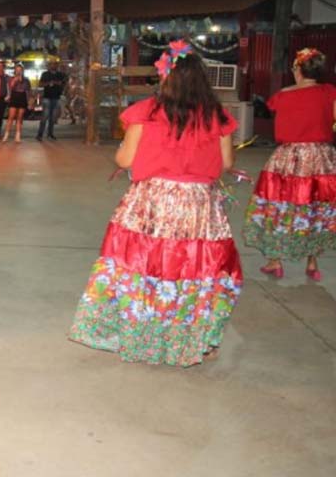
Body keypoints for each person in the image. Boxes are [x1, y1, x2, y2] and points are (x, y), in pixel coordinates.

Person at [68, 41, 241, 366]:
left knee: (147, 267)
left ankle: (143, 334)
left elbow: (124, 157)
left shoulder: (146, 111)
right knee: (193, 270)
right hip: (197, 207)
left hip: (153, 204)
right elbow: (226, 163)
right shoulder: (217, 116)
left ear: (165, 77)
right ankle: (190, 338)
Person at [243, 48, 336, 281]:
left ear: (298, 70)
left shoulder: (284, 95)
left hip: (288, 158)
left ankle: (275, 262)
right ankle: (312, 263)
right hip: (321, 158)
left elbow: (279, 115)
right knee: (315, 208)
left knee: (280, 207)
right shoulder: (329, 92)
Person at [36, 60, 66, 141]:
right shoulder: (45, 74)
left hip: (56, 97)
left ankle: (50, 133)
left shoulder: (60, 75)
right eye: (52, 64)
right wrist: (49, 83)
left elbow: (64, 83)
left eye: (55, 64)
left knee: (53, 118)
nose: (53, 66)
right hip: (47, 97)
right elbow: (40, 84)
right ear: (49, 66)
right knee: (44, 117)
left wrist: (59, 84)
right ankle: (40, 134)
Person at [2, 63, 30, 142]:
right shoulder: (11, 78)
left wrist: (29, 101)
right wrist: (15, 80)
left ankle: (18, 135)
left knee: (19, 118)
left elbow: (28, 90)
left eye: (20, 70)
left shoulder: (26, 80)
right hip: (14, 97)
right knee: (11, 117)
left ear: (22, 71)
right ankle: (6, 135)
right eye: (17, 70)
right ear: (15, 70)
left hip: (22, 97)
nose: (18, 71)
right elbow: (11, 86)